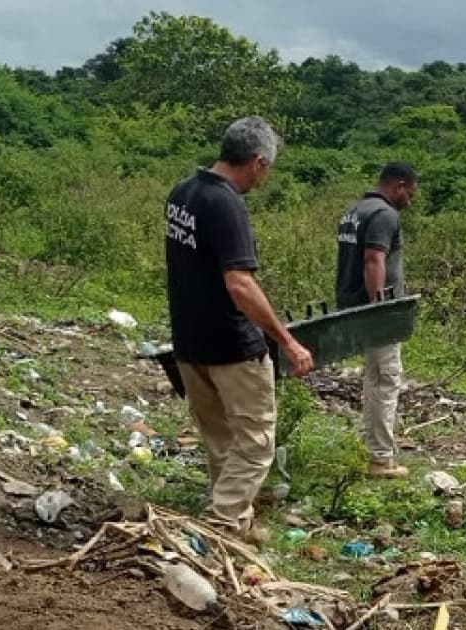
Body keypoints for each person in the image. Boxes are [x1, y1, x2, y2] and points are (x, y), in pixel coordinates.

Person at [165, 116, 314, 542]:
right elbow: (240, 283)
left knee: (220, 438)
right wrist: (286, 340)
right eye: (267, 170)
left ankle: (237, 514)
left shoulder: (183, 192)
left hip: (190, 341)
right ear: (258, 162)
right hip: (231, 345)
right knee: (254, 443)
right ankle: (221, 527)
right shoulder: (226, 204)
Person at [335, 162, 418, 478]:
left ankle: (371, 447)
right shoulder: (384, 215)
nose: (409, 201)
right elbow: (373, 260)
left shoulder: (354, 211)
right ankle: (381, 459)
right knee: (386, 379)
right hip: (376, 313)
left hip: (352, 305)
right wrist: (379, 307)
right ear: (398, 185)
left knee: (373, 378)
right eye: (409, 193)